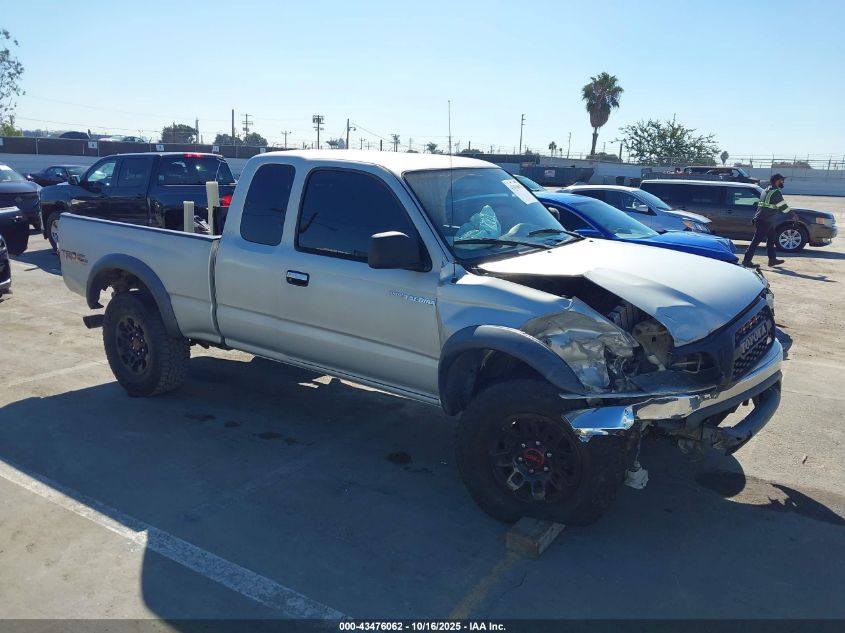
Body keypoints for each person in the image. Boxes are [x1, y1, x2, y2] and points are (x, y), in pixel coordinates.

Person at [742, 173, 798, 267]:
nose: (783, 182)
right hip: (765, 220)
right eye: (782, 180)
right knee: (756, 240)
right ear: (777, 181)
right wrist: (793, 215)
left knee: (771, 239)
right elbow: (782, 206)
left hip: (764, 219)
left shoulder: (766, 190)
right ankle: (746, 260)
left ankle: (772, 259)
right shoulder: (775, 192)